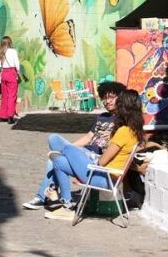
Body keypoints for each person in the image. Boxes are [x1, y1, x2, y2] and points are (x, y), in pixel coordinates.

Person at [22, 81, 126, 210]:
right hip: (82, 152)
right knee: (53, 139)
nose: (107, 101)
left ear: (120, 98)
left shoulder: (124, 120)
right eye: (104, 98)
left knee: (53, 160)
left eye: (111, 97)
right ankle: (49, 194)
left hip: (93, 157)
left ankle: (42, 197)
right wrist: (70, 149)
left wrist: (112, 136)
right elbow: (88, 137)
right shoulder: (102, 117)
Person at [44, 89, 145, 221]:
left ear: (124, 108)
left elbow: (102, 162)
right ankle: (67, 207)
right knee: (59, 163)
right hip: (108, 176)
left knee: (68, 148)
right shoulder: (134, 131)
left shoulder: (123, 132)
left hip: (103, 177)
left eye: (119, 105)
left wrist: (89, 159)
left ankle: (57, 156)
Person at [0, 36, 21, 124]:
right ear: (10, 42)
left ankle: (2, 116)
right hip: (12, 72)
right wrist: (18, 73)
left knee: (5, 95)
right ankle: (10, 116)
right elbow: (17, 63)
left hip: (4, 74)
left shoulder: (1, 52)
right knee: (12, 95)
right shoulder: (13, 51)